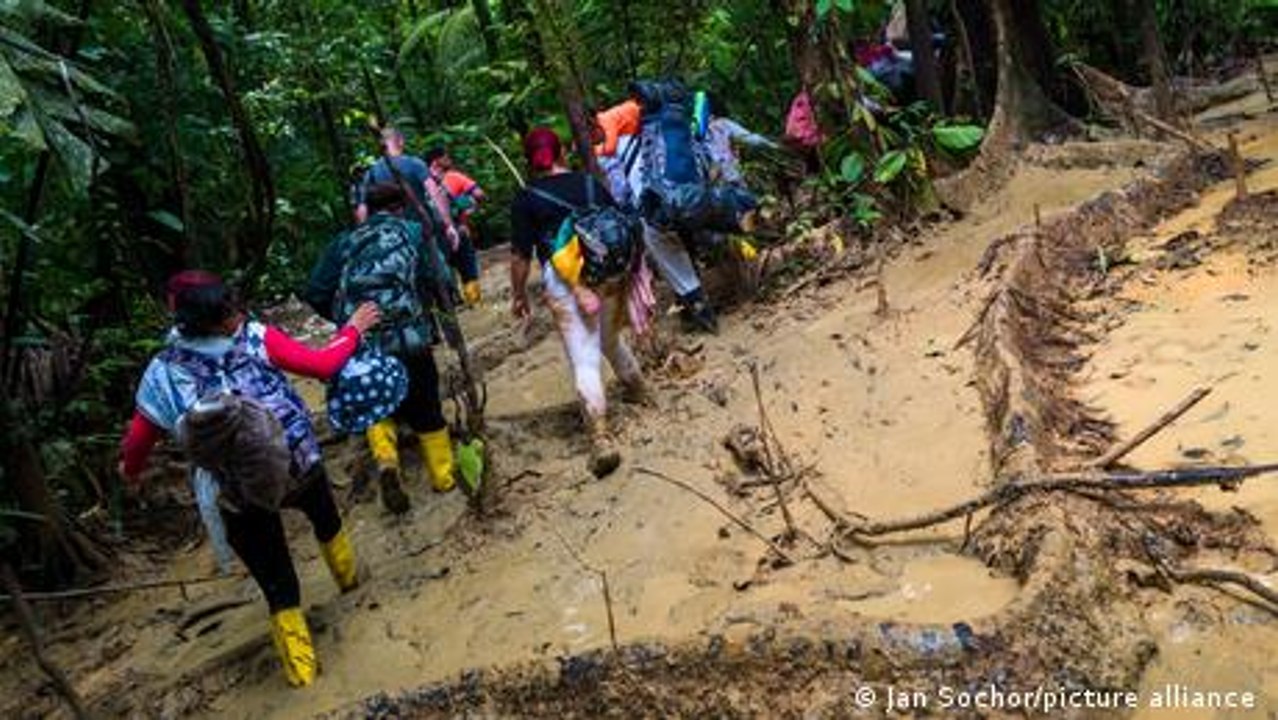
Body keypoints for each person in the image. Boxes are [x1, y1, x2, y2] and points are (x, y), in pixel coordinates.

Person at [119, 271, 381, 688]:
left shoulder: (162, 371)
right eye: (229, 308)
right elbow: (322, 365)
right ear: (221, 312)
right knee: (326, 520)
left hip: (233, 488)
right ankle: (350, 582)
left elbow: (138, 438)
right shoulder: (257, 336)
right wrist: (351, 331)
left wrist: (129, 473)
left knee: (276, 581)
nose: (237, 314)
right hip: (295, 462)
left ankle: (304, 675)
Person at [304, 183, 455, 514]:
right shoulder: (414, 231)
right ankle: (444, 478)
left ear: (367, 210)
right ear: (401, 207)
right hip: (409, 337)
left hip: (363, 340)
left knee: (378, 403)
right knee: (427, 404)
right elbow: (439, 276)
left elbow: (315, 290)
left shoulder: (346, 241)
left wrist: (348, 323)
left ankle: (388, 464)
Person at [509, 127, 648, 478]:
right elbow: (619, 222)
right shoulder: (588, 182)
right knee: (610, 340)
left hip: (567, 282)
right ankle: (638, 390)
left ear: (530, 159)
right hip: (609, 273)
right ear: (561, 153)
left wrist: (519, 294)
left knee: (584, 360)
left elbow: (520, 257)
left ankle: (601, 438)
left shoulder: (527, 198)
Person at [355, 127, 460, 254]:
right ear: (400, 141)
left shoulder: (371, 172)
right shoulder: (415, 164)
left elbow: (362, 208)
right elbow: (435, 194)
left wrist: (365, 237)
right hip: (421, 229)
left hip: (390, 236)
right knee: (436, 269)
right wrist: (448, 225)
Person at [425, 145, 484, 306]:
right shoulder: (454, 176)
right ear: (437, 161)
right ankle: (474, 299)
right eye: (446, 156)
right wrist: (471, 207)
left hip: (433, 234)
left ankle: (450, 300)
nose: (449, 159)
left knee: (442, 265)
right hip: (458, 228)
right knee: (467, 264)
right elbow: (479, 194)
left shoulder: (419, 180)